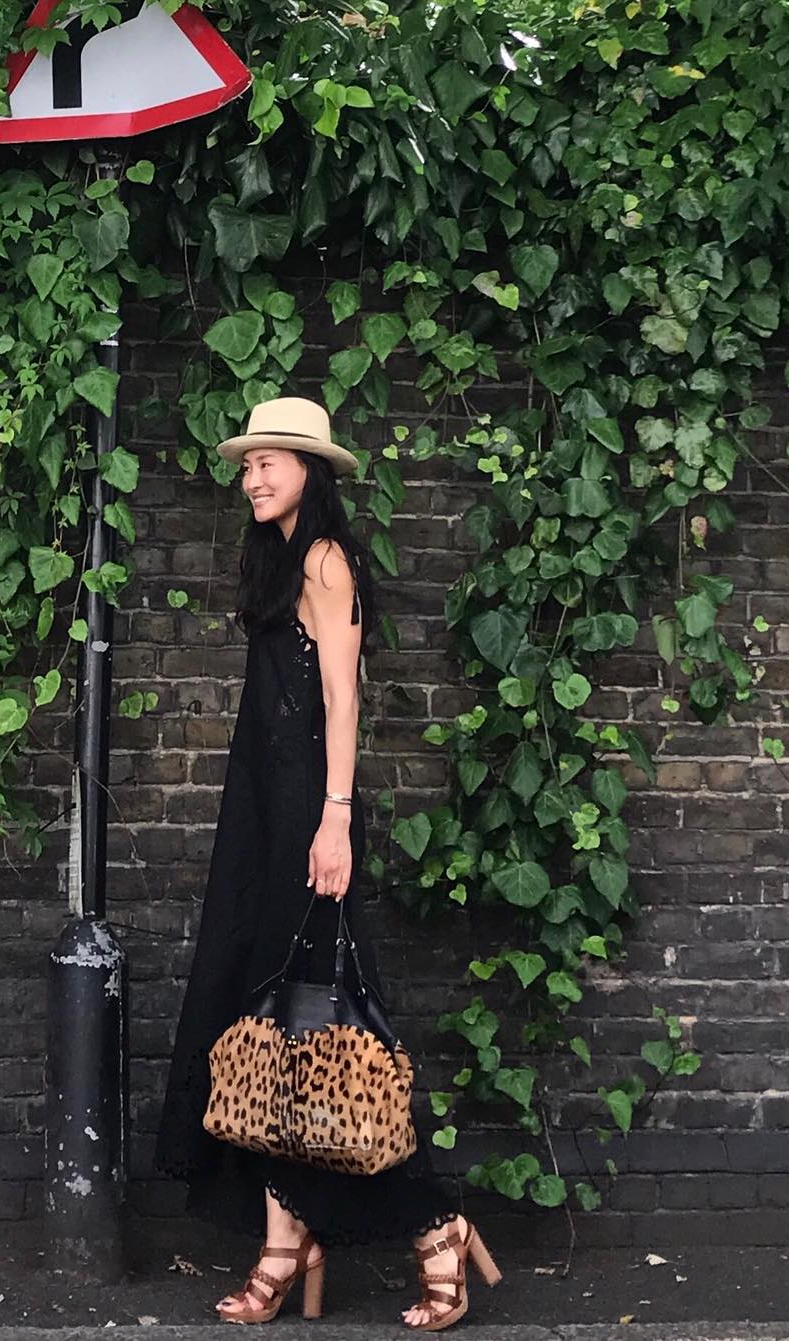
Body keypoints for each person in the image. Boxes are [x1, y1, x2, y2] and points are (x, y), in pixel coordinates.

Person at [154, 397, 502, 1330]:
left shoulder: (326, 559)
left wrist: (335, 820)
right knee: (275, 1025)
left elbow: (343, 698)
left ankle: (434, 1227)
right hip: (267, 811)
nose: (253, 477)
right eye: (247, 463)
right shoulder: (281, 560)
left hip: (311, 814)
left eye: (270, 460)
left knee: (331, 1028)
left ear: (311, 470)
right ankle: (287, 1237)